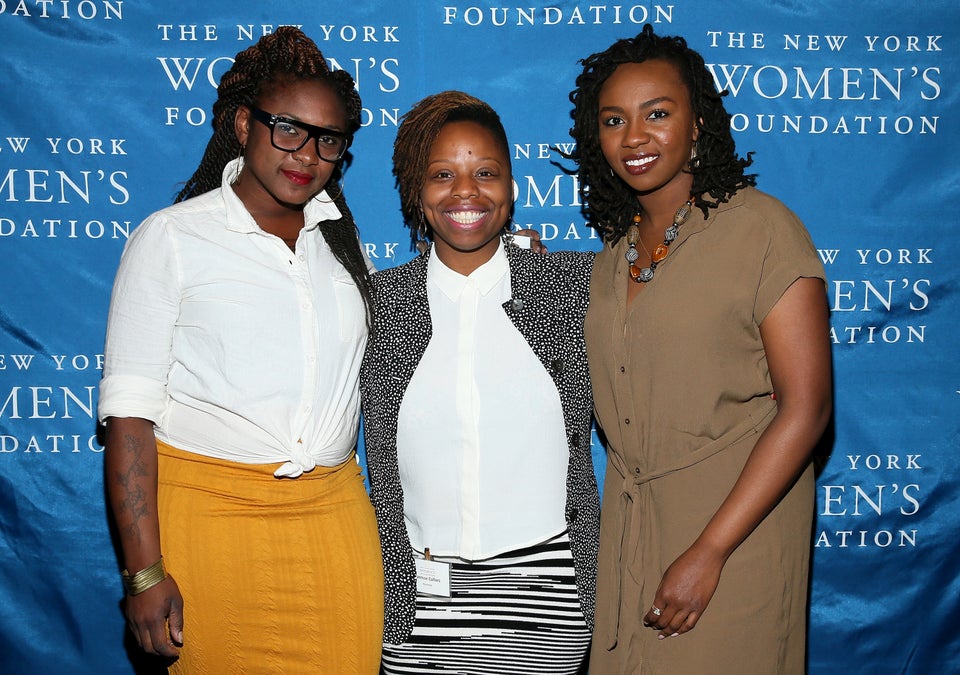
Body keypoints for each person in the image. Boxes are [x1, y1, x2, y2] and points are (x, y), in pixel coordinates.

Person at [99, 27, 383, 673]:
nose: (305, 152)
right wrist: (144, 574)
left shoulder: (342, 250)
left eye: (327, 138)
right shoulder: (171, 238)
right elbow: (130, 417)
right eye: (287, 127)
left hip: (334, 515)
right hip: (209, 516)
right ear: (243, 124)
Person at [567, 25, 832, 674]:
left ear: (698, 124)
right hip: (632, 537)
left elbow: (808, 407)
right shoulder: (610, 258)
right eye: (614, 120)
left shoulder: (762, 227)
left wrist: (709, 550)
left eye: (657, 113)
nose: (634, 137)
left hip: (734, 535)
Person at [360, 91, 600, 674]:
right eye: (442, 175)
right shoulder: (378, 303)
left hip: (550, 596)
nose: (465, 191)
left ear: (513, 187)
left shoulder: (573, 286)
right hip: (417, 598)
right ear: (417, 192)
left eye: (485, 173)